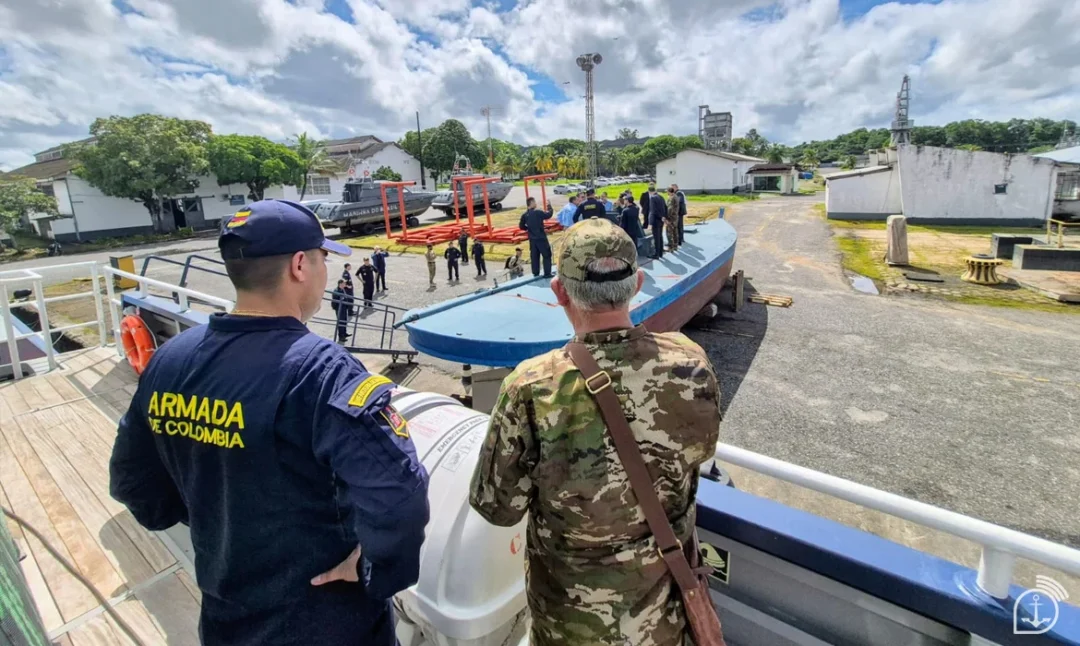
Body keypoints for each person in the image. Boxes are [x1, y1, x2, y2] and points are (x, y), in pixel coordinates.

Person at [109, 199, 430, 646]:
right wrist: (373, 568)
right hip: (327, 617)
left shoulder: (170, 360)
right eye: (321, 259)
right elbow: (399, 495)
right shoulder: (323, 373)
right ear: (300, 265)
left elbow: (132, 482)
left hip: (226, 612)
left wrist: (214, 520)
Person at [469, 218, 721, 646]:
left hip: (568, 625)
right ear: (637, 284)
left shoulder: (532, 387)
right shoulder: (690, 363)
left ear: (559, 292)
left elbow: (497, 507)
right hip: (665, 615)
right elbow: (700, 452)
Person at [518, 197, 554, 278]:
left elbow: (521, 226)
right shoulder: (538, 212)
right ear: (532, 203)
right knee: (546, 255)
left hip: (532, 239)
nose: (536, 203)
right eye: (534, 201)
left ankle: (536, 273)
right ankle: (547, 273)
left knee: (534, 256)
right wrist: (549, 207)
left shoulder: (525, 215)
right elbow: (548, 215)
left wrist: (528, 229)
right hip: (541, 238)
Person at [648, 185, 668, 259]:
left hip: (656, 220)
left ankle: (656, 254)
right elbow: (665, 208)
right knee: (660, 236)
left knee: (656, 237)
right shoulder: (661, 197)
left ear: (649, 191)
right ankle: (660, 252)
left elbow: (653, 210)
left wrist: (651, 222)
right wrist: (664, 217)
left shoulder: (652, 198)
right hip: (661, 220)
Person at [331, 278, 350, 343]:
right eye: (343, 283)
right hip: (340, 309)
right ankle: (341, 336)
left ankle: (344, 333)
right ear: (340, 284)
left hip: (344, 308)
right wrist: (337, 308)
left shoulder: (342, 289)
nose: (345, 284)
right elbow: (334, 302)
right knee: (341, 322)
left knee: (344, 321)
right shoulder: (336, 291)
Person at [666, 187, 682, 253]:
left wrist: (667, 217)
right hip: (675, 217)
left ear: (669, 192)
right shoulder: (676, 197)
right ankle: (675, 245)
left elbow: (670, 209)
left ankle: (671, 247)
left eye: (667, 191)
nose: (667, 192)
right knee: (675, 232)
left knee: (669, 232)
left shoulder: (672, 198)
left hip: (671, 218)